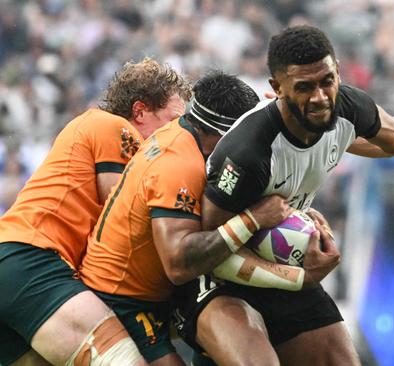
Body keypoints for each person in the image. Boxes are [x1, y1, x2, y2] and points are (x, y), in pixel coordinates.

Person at [174, 25, 394, 366]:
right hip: (219, 282)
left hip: (285, 269)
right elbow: (206, 253)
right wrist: (291, 268)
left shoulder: (347, 106)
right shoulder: (248, 153)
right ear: (276, 88)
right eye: (303, 87)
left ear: (338, 71)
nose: (319, 97)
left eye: (326, 81)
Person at [79, 69, 339, 365]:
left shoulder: (197, 143)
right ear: (224, 134)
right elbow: (179, 264)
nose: (252, 143)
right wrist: (255, 222)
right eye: (246, 134)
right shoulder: (177, 164)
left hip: (161, 289)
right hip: (124, 300)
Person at [0, 57, 190, 365]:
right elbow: (124, 218)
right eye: (173, 120)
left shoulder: (88, 127)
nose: (179, 133)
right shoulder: (114, 127)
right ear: (140, 111)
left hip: (17, 264)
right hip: (34, 261)